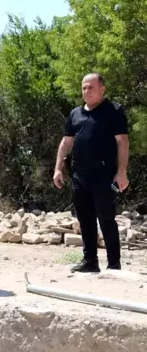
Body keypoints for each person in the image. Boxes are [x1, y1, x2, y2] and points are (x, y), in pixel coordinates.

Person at [53, 73, 129, 273]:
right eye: (84, 88)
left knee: (106, 218)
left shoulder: (113, 111)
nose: (86, 91)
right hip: (80, 175)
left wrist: (121, 172)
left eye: (91, 87)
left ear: (102, 89)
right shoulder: (75, 114)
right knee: (85, 219)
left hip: (105, 175)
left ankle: (113, 264)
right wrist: (58, 168)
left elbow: (122, 142)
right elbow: (66, 142)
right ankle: (90, 262)